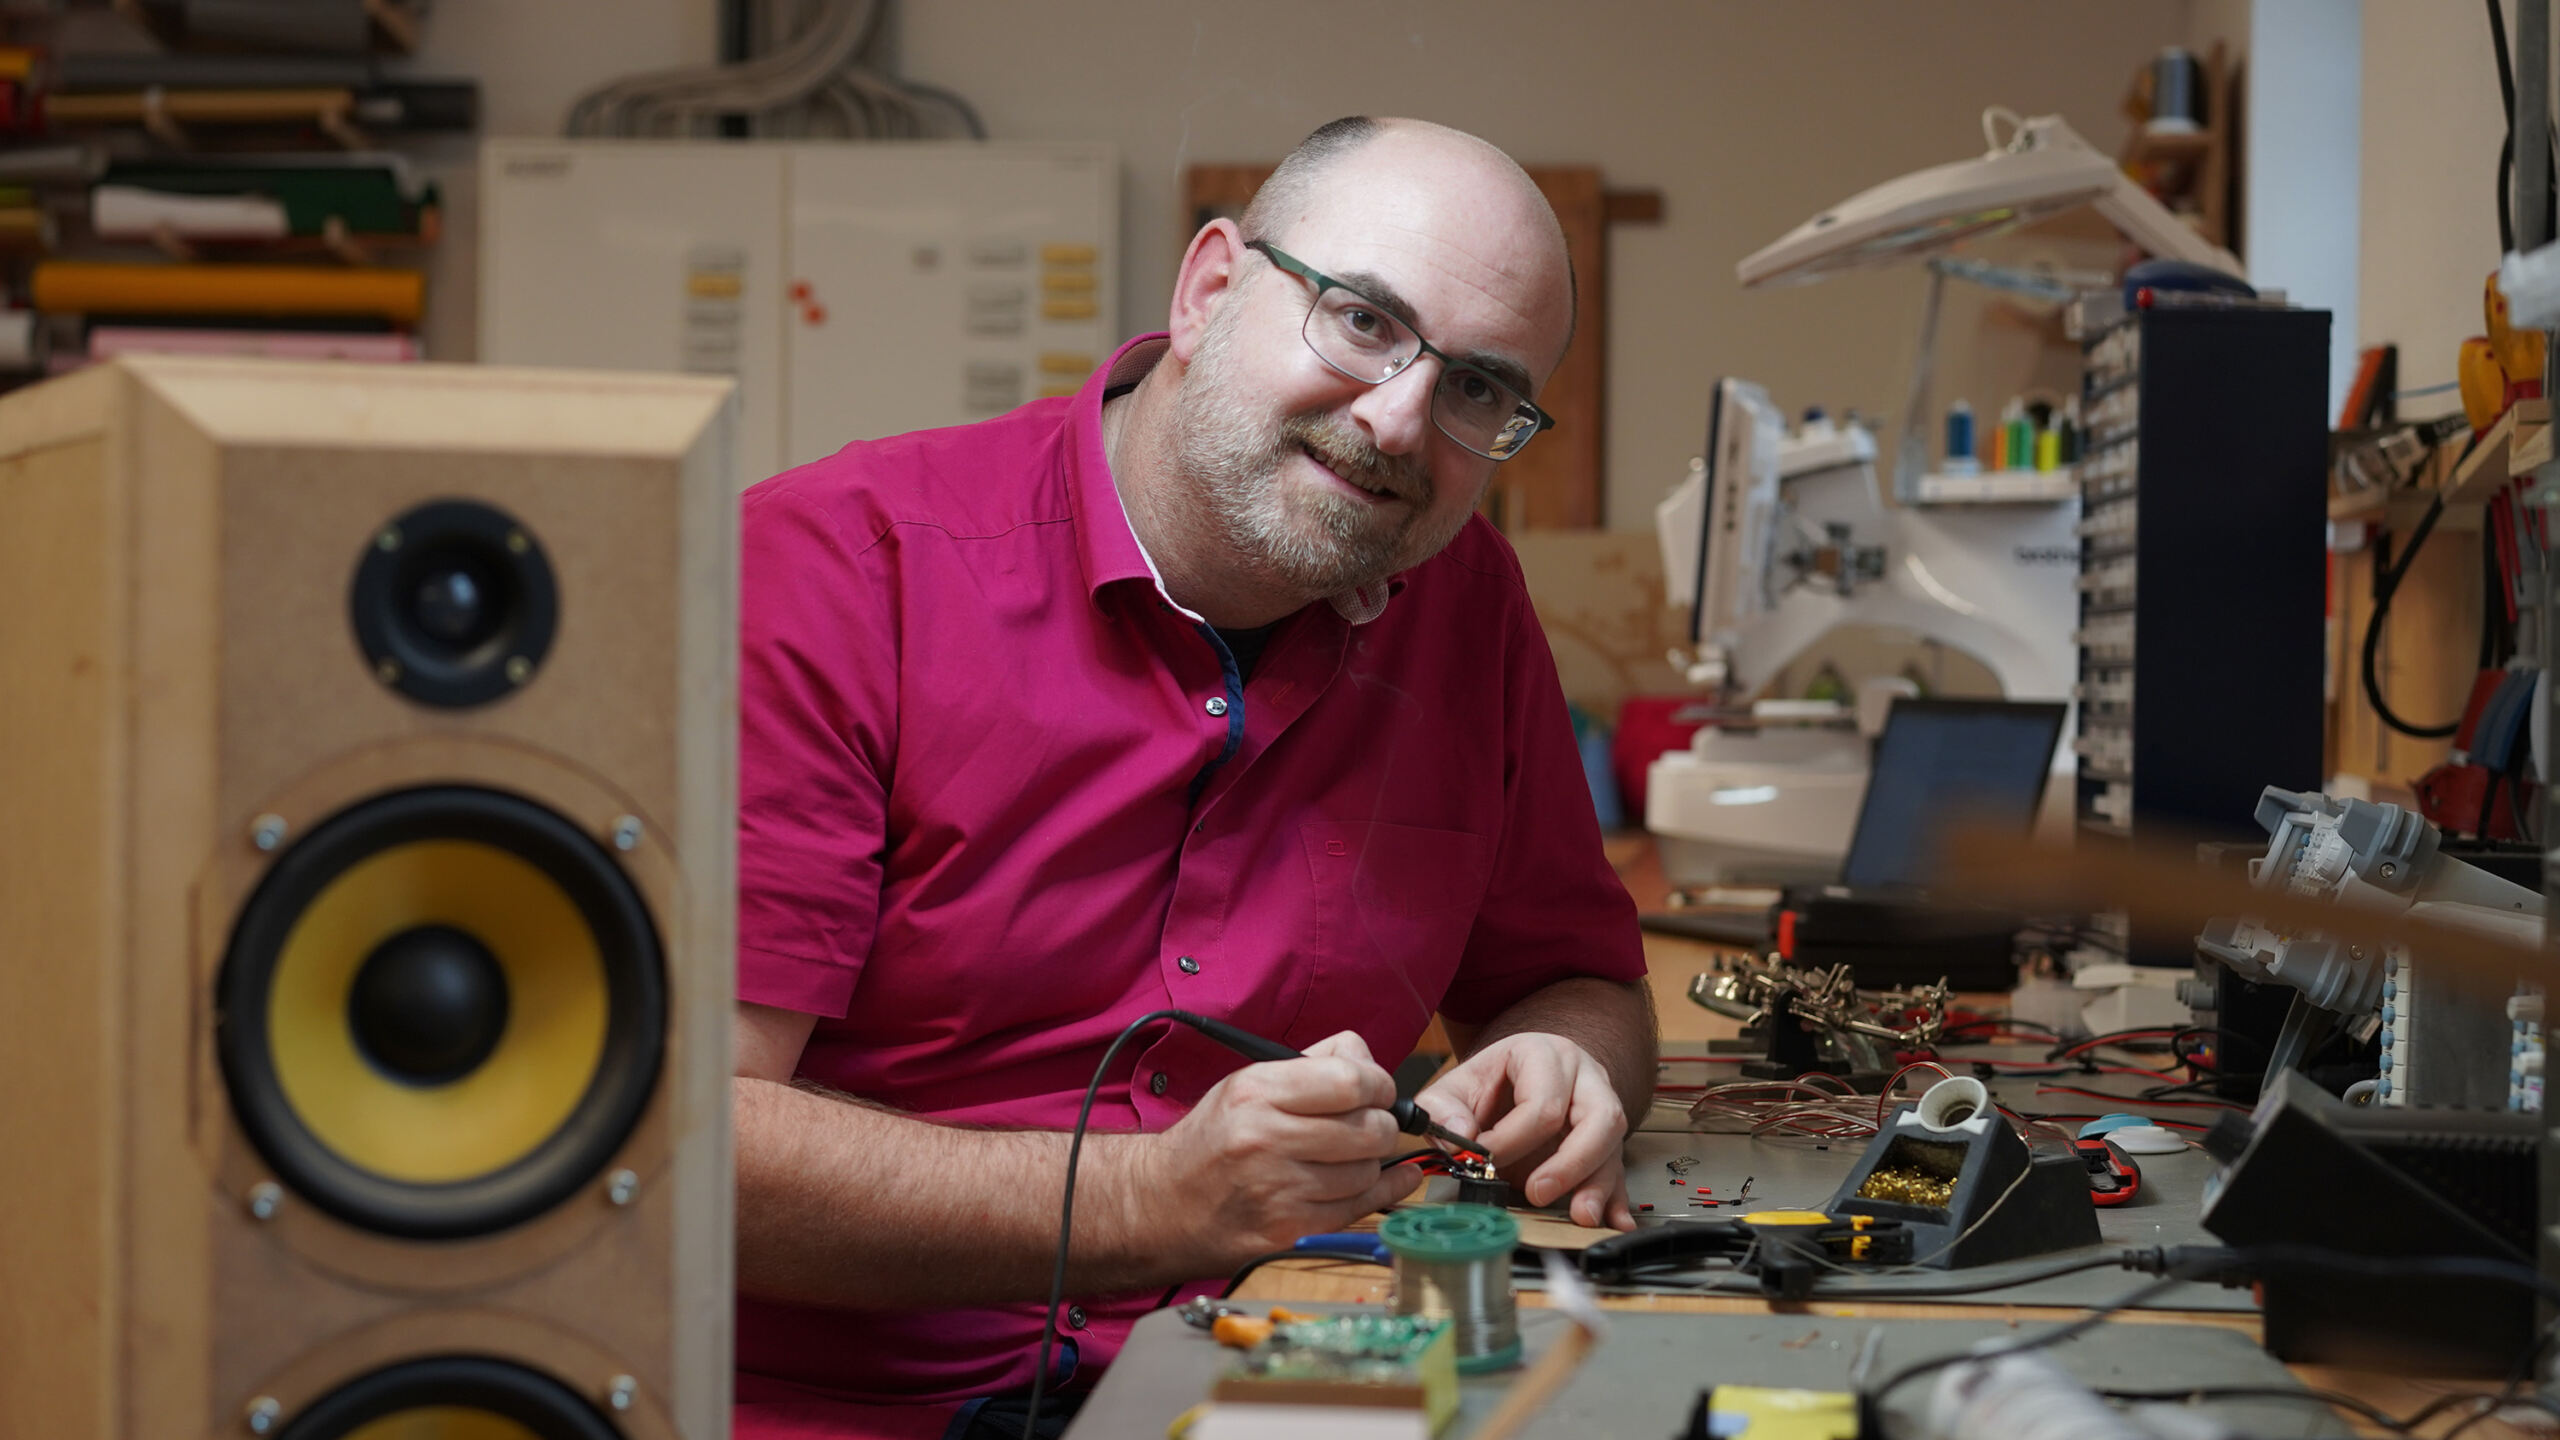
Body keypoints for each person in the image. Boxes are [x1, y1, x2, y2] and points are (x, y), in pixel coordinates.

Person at [731, 115, 1655, 1440]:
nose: (1398, 421)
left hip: (1296, 1377)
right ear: (1211, 288)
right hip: (868, 1409)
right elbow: (683, 1144)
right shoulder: (837, 570)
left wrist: (1567, 1065)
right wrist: (1150, 1199)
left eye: (1475, 391)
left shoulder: (1468, 603)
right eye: (1362, 322)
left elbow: (1579, 983)